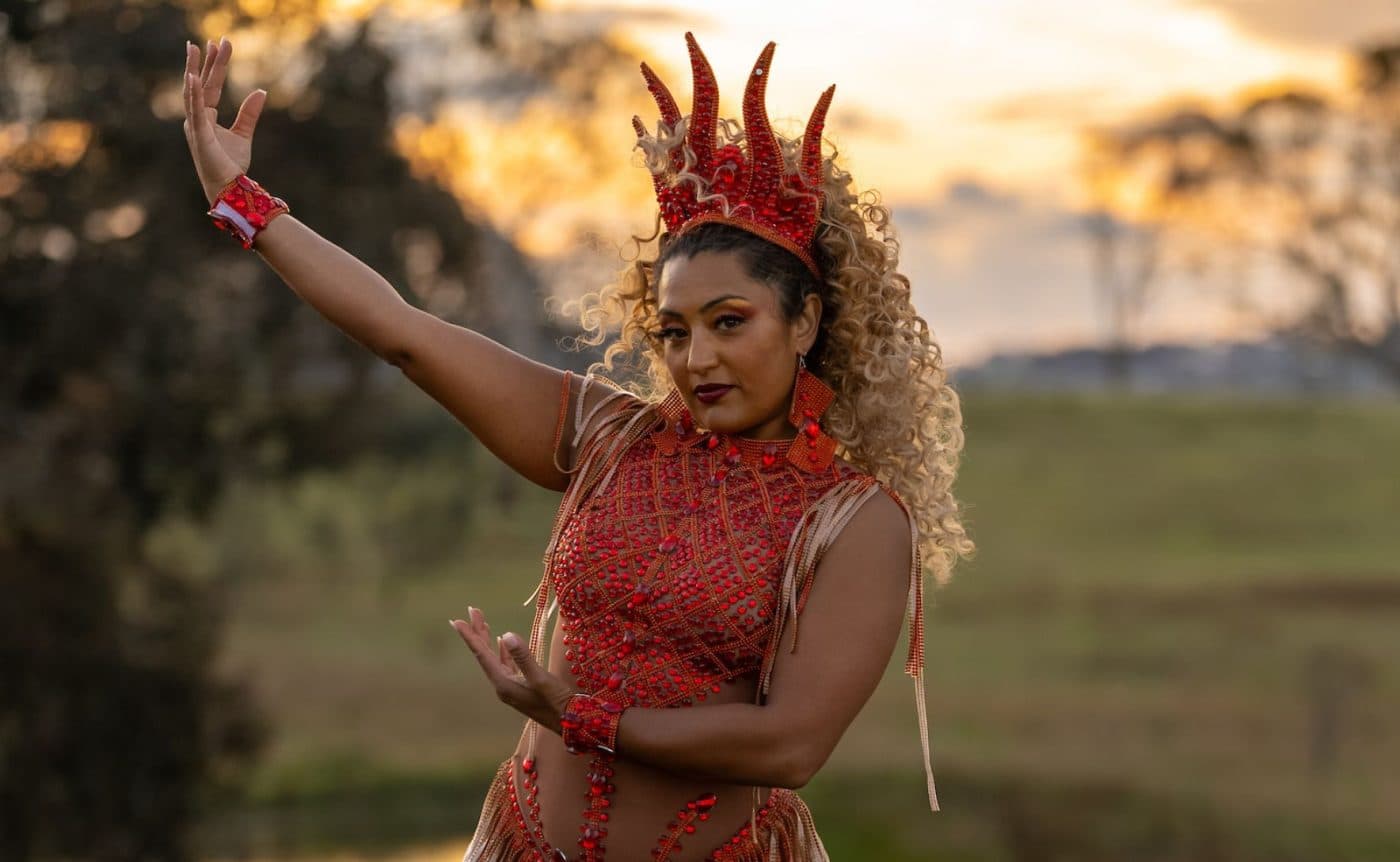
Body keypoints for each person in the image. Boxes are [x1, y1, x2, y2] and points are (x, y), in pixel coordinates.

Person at [182, 29, 973, 862]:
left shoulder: (855, 521)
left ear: (805, 319)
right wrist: (239, 199)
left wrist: (581, 718)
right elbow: (403, 333)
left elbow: (790, 748)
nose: (696, 358)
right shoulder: (607, 436)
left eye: (729, 322)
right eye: (673, 330)